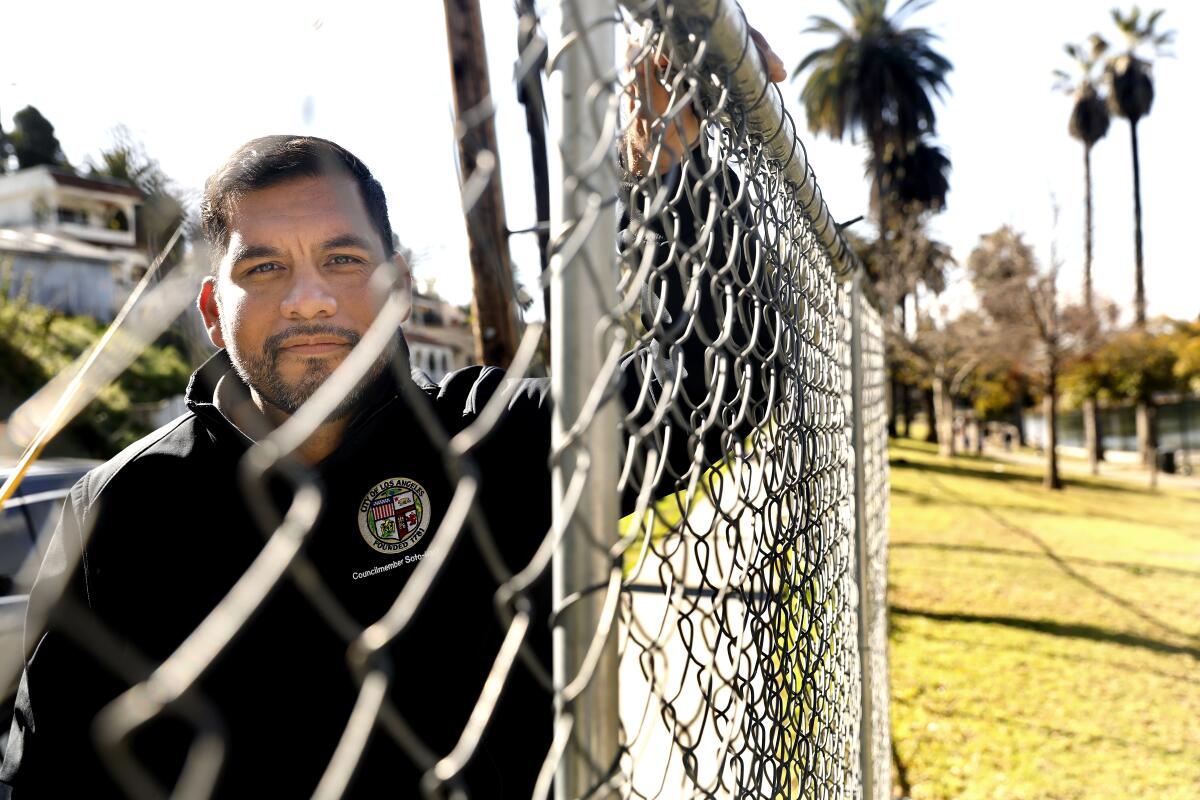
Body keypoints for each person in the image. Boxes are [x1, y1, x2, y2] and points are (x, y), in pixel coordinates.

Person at [1, 32, 786, 799]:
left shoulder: (489, 440)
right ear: (213, 308)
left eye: (343, 260)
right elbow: (45, 769)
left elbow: (727, 376)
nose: (309, 298)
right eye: (265, 267)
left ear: (400, 288)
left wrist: (673, 173)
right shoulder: (122, 506)